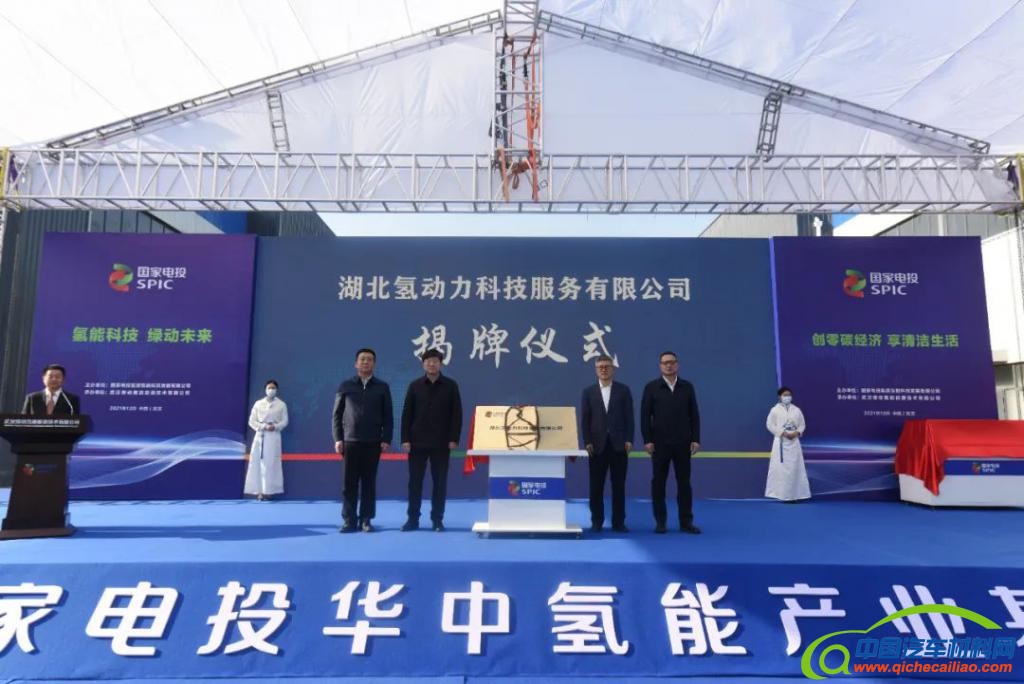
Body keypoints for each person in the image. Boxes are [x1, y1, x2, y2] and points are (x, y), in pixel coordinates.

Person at [400, 349, 462, 532]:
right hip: (417, 442)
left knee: (440, 482)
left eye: (435, 361)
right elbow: (406, 414)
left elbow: (457, 414)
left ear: (440, 364)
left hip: (441, 442)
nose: (431, 364)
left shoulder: (451, 386)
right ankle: (412, 519)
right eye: (428, 361)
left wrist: (454, 438)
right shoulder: (415, 386)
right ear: (423, 364)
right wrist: (405, 439)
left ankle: (437, 519)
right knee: (415, 483)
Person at [640, 351, 701, 534]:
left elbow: (694, 415)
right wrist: (647, 440)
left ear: (677, 365)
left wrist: (695, 439)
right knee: (658, 483)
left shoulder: (687, 387)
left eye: (672, 362)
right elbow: (645, 416)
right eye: (665, 363)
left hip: (683, 443)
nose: (668, 365)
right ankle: (660, 522)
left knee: (684, 483)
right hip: (659, 444)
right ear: (660, 366)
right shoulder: (652, 387)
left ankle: (686, 522)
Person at [333, 348, 393, 533]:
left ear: (374, 364)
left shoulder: (382, 387)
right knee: (349, 483)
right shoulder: (345, 386)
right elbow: (337, 415)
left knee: (369, 482)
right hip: (350, 441)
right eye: (362, 359)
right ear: (356, 363)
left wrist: (386, 438)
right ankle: (349, 520)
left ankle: (366, 519)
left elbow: (388, 416)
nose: (366, 362)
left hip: (373, 442)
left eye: (369, 359)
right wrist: (338, 438)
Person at [580, 355, 634, 533]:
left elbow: (629, 417)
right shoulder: (588, 392)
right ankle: (597, 521)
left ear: (613, 369)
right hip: (597, 446)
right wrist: (587, 441)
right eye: (600, 367)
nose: (603, 369)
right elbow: (585, 420)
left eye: (607, 366)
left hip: (619, 445)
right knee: (596, 486)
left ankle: (619, 522)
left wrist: (629, 439)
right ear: (596, 370)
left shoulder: (623, 390)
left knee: (618, 486)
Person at [245, 380, 288, 501]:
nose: (271, 390)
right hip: (260, 435)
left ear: (276, 390)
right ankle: (258, 491)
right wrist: (263, 426)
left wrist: (275, 427)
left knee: (271, 463)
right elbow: (251, 421)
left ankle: (269, 491)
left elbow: (285, 421)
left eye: (273, 388)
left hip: (274, 436)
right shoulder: (258, 404)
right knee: (257, 462)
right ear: (265, 389)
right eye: (269, 388)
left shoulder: (281, 405)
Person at [765, 386, 810, 502]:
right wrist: (782, 433)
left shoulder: (797, 410)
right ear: (780, 396)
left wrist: (797, 432)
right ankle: (783, 495)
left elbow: (802, 425)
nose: (787, 397)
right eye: (785, 395)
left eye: (789, 395)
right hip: (781, 442)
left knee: (796, 468)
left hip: (794, 442)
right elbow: (770, 425)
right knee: (781, 469)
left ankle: (796, 495)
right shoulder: (775, 410)